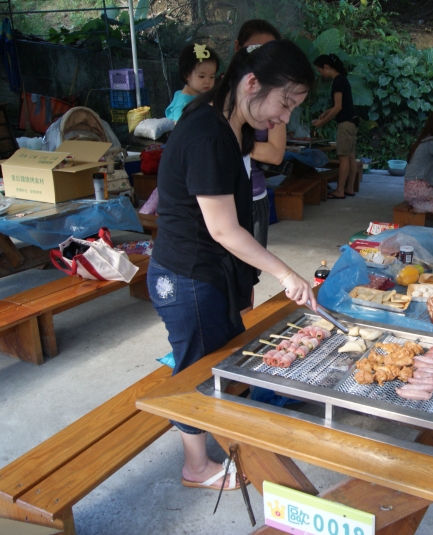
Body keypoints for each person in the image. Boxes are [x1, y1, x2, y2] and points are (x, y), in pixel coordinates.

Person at [147, 39, 317, 491]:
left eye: (293, 108)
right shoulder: (206, 134)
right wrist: (286, 273)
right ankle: (195, 467)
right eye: (285, 102)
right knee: (196, 366)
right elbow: (223, 229)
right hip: (187, 274)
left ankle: (218, 440)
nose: (284, 117)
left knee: (221, 357)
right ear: (251, 82)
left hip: (210, 270)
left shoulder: (230, 126)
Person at [232, 19, 284, 314]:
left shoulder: (276, 95)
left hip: (253, 197)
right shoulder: (219, 96)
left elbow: (276, 153)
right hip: (222, 199)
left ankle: (243, 328)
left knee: (246, 277)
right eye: (256, 49)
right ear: (238, 48)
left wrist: (233, 143)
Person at [312, 54, 359, 199]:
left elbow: (338, 107)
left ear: (326, 67)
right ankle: (349, 188)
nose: (321, 74)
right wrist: (326, 112)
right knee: (350, 156)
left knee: (343, 157)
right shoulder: (342, 80)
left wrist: (322, 122)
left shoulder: (338, 81)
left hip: (345, 123)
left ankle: (339, 190)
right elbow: (340, 105)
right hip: (352, 121)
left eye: (320, 71)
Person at [165, 43, 220, 121]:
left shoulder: (203, 94)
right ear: (186, 75)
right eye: (201, 76)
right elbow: (180, 128)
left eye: (212, 77)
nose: (208, 81)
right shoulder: (183, 103)